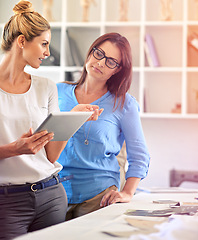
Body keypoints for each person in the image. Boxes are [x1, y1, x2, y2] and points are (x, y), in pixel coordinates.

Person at [0, 1, 101, 240]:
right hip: (7, 202)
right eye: (44, 44)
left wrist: (74, 117)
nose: (48, 52)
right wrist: (12, 150)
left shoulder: (45, 87)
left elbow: (51, 155)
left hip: (51, 194)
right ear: (22, 41)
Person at [57, 32, 150, 220]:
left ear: (117, 70)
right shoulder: (56, 92)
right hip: (55, 193)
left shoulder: (125, 104)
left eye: (111, 61)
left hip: (100, 196)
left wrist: (127, 193)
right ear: (91, 52)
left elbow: (139, 156)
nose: (100, 63)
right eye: (99, 54)